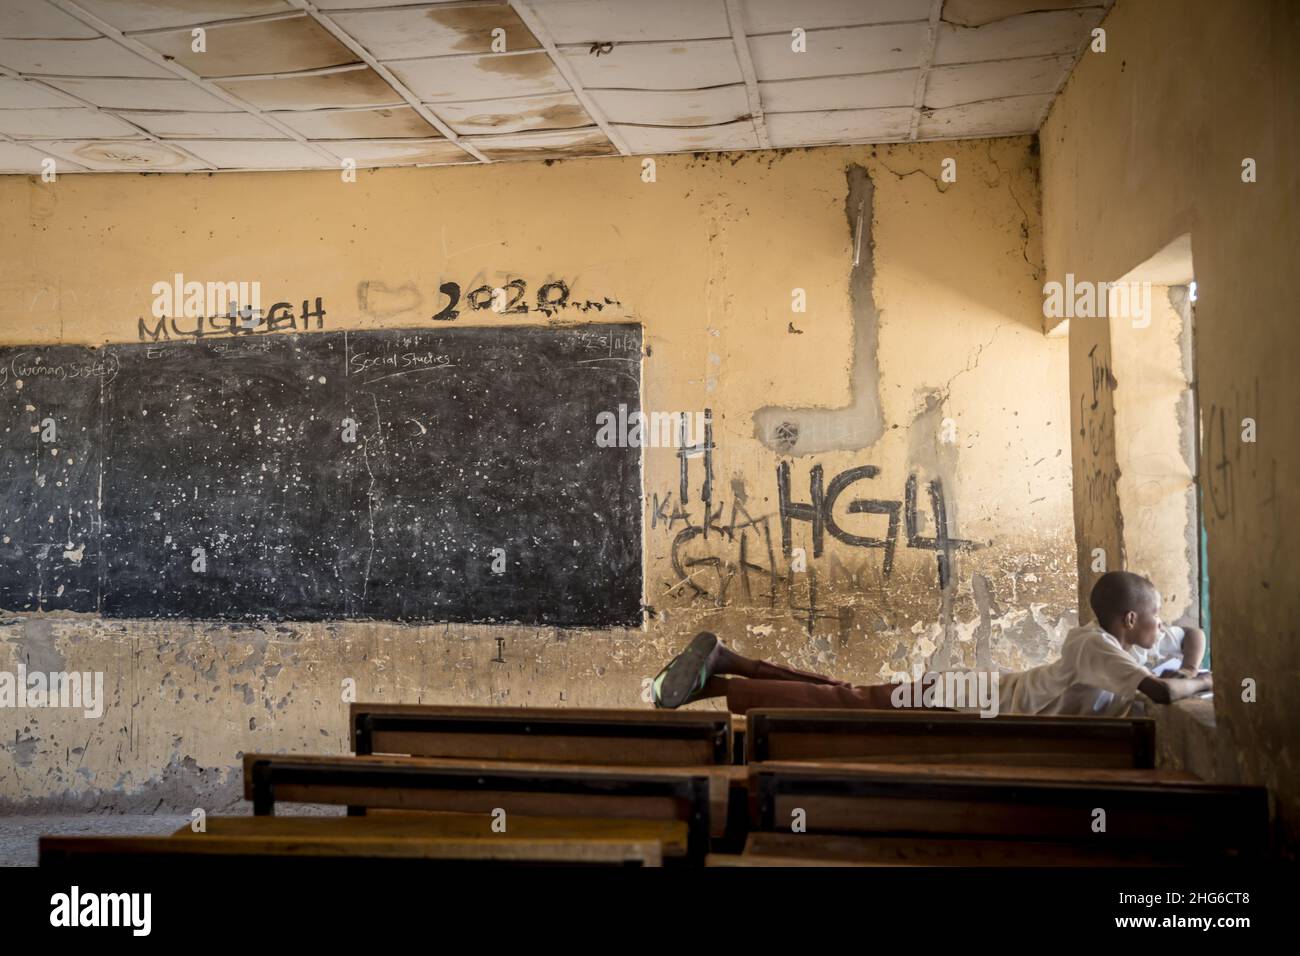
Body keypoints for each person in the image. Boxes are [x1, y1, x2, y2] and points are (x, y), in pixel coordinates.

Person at [650, 570, 1212, 717]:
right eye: (1154, 618)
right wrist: (1205, 680)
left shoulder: (1135, 643)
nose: (1163, 627)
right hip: (970, 701)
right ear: (1129, 618)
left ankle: (727, 667)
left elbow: (1194, 632)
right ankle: (724, 676)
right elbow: (1161, 697)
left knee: (853, 698)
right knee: (852, 704)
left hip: (976, 699)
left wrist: (1186, 663)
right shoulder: (1095, 647)